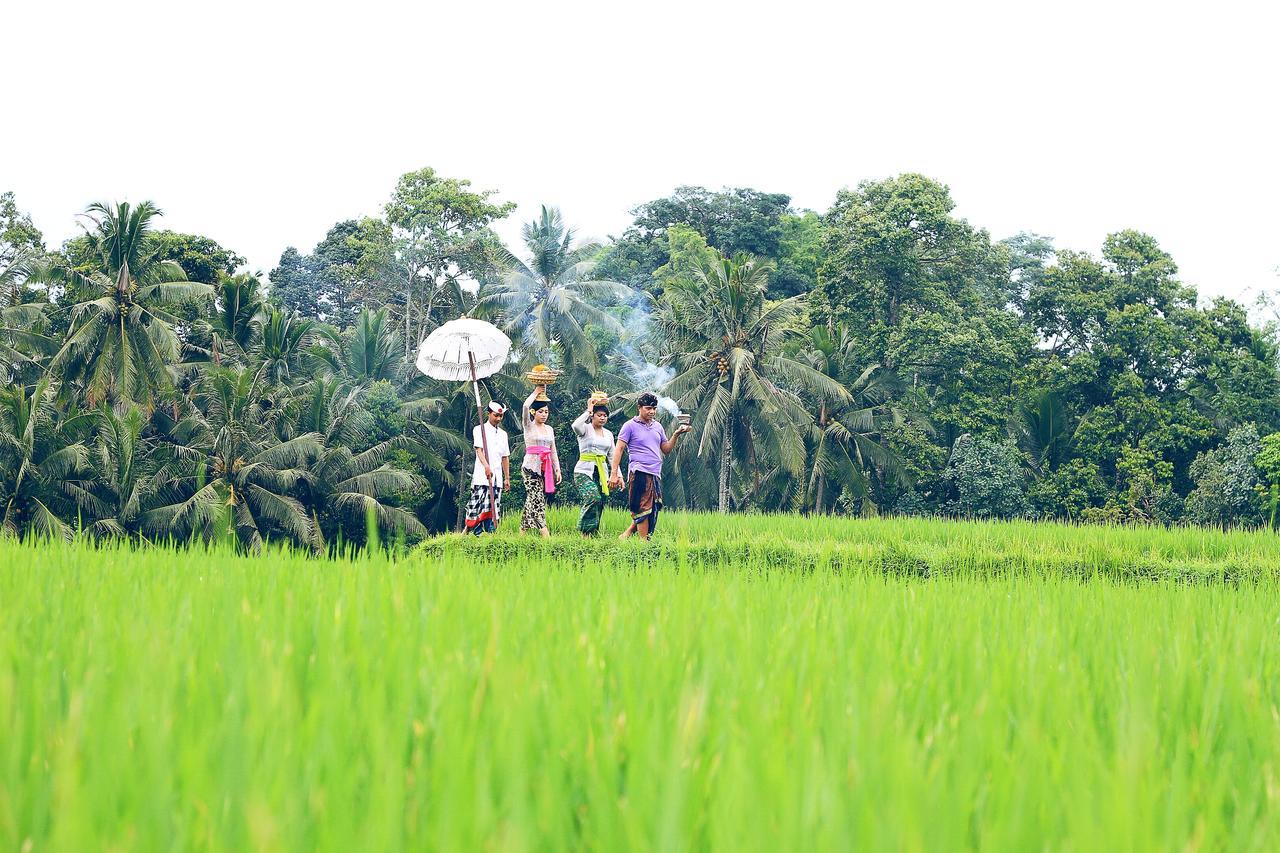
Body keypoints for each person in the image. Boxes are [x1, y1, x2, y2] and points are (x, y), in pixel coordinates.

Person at [608, 392, 691, 540]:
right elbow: (619, 449)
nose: (652, 411)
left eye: (654, 408)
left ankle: (627, 535)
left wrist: (676, 434)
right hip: (639, 470)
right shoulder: (629, 426)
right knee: (642, 507)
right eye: (648, 408)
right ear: (639, 408)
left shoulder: (657, 426)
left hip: (655, 472)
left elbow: (665, 449)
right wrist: (614, 473)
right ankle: (643, 542)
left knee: (653, 507)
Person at [520, 385, 562, 537]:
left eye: (546, 412)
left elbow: (553, 449)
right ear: (534, 412)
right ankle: (546, 536)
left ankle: (522, 534)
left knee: (532, 500)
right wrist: (536, 392)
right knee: (537, 501)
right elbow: (525, 406)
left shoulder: (549, 429)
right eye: (540, 412)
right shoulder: (529, 426)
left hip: (545, 468)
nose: (544, 415)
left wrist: (557, 469)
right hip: (530, 468)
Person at [465, 401, 510, 535]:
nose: (498, 419)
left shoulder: (503, 434)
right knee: (477, 505)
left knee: (493, 507)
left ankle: (490, 533)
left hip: (497, 478)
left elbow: (505, 457)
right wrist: (486, 466)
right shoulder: (479, 430)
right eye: (496, 415)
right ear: (489, 413)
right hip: (482, 476)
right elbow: (479, 451)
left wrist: (507, 478)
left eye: (500, 416)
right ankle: (476, 534)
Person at [572, 396, 614, 536]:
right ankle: (583, 529)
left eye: (605, 416)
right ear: (593, 416)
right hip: (584, 471)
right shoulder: (585, 429)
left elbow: (612, 456)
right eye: (599, 415)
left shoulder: (608, 434)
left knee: (601, 502)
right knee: (592, 498)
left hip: (602, 472)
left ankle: (593, 533)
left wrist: (616, 474)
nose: (602, 418)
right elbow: (575, 425)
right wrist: (588, 410)